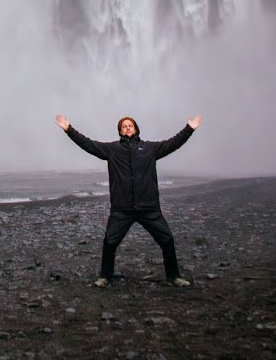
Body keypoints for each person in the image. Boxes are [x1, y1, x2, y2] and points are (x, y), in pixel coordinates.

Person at [55, 111, 203, 287]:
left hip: (149, 207)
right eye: (124, 126)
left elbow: (172, 144)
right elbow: (88, 144)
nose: (127, 128)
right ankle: (105, 277)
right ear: (120, 131)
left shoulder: (150, 148)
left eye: (130, 125)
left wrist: (189, 129)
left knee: (167, 240)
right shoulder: (112, 150)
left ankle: (174, 276)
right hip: (121, 208)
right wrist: (69, 130)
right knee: (110, 241)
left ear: (136, 129)